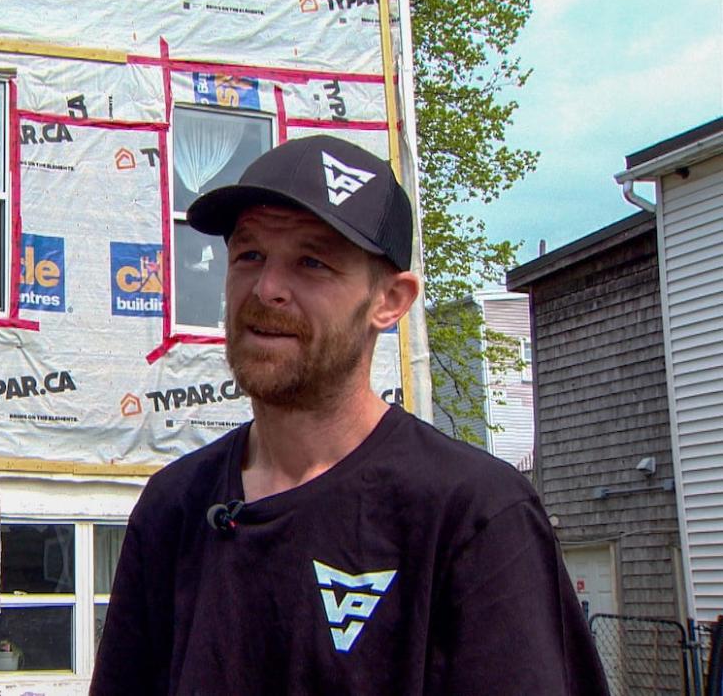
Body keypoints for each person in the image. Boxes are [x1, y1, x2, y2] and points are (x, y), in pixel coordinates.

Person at [91, 136, 608, 695]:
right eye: (249, 255)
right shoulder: (174, 507)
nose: (267, 289)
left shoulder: (472, 514)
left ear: (390, 301)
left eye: (312, 262)